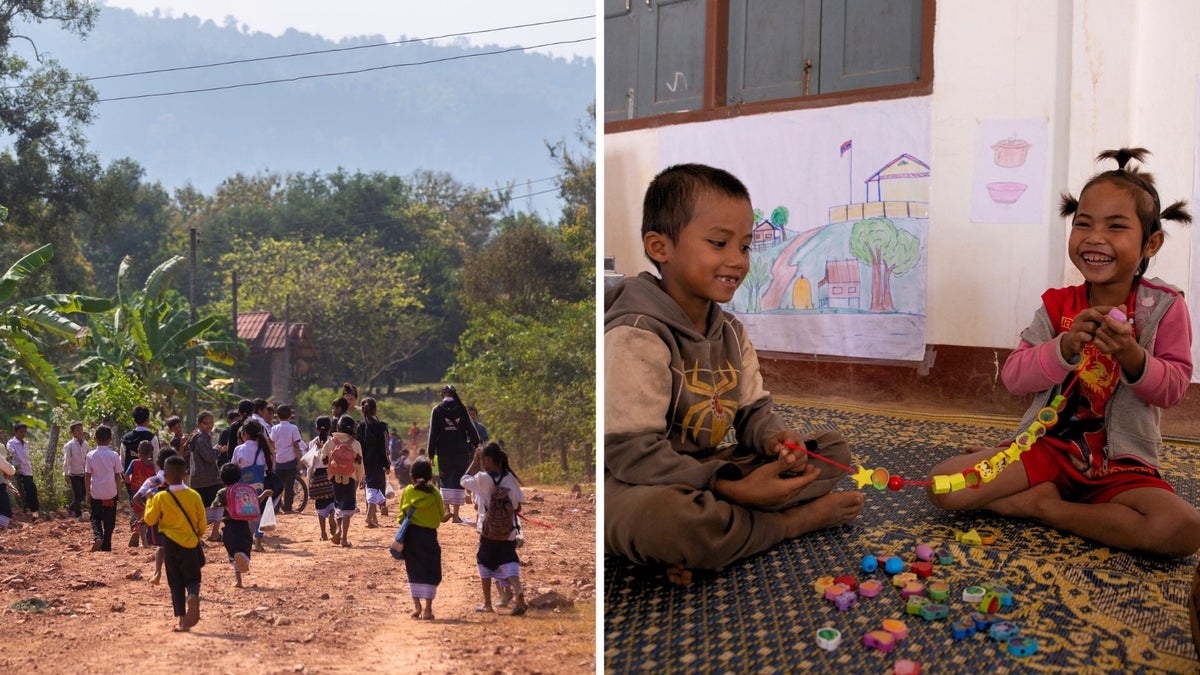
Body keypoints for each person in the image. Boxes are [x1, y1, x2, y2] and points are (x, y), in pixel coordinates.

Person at [928, 147, 1200, 558]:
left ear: (1151, 243)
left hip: (1121, 466)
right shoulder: (1058, 306)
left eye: (1116, 226)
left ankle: (1045, 507)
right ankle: (1045, 492)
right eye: (1084, 223)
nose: (1095, 237)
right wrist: (1063, 348)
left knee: (1183, 530)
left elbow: (1173, 390)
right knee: (942, 485)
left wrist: (1132, 356)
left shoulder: (1164, 307)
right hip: (1048, 450)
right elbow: (1015, 376)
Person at [605, 164, 863, 586]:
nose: (737, 261)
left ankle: (727, 532)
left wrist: (778, 442)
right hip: (638, 484)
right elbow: (632, 456)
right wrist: (731, 488)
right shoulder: (635, 333)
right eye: (719, 243)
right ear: (660, 246)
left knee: (831, 452)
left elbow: (753, 412)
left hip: (703, 472)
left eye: (744, 247)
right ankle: (789, 524)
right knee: (671, 522)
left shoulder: (730, 330)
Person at [461, 442, 527, 615]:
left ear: (488, 460)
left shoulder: (482, 478)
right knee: (508, 562)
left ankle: (487, 604)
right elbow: (518, 506)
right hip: (508, 531)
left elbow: (463, 481)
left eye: (482, 459)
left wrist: (474, 462)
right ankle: (517, 588)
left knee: (484, 564)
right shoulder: (511, 479)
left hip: (489, 531)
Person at [142, 455, 205, 632]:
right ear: (185, 474)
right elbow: (202, 523)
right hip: (191, 544)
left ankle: (182, 621)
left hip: (169, 545)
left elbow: (149, 519)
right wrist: (196, 537)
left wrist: (148, 501)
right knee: (192, 577)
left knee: (175, 582)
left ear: (166, 477)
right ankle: (193, 594)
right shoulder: (194, 496)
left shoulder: (160, 497)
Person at [398, 459, 444, 620]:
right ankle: (428, 609)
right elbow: (441, 515)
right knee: (430, 571)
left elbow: (400, 517)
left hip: (411, 538)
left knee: (414, 571)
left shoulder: (407, 492)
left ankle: (417, 606)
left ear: (411, 476)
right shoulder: (435, 493)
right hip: (430, 537)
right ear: (430, 476)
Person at [427, 385, 480, 523]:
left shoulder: (437, 410)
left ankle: (446, 509)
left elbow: (432, 434)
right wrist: (477, 444)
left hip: (443, 452)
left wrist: (431, 454)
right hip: (461, 452)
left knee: (444, 479)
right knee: (458, 481)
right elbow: (471, 429)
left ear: (442, 395)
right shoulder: (462, 409)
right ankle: (456, 515)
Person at [131, 448, 179, 585]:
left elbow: (136, 498)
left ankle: (157, 574)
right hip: (174, 520)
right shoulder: (177, 480)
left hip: (157, 521)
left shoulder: (153, 480)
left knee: (161, 546)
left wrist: (149, 509)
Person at [319, 415, 363, 547]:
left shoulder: (331, 441)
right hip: (350, 478)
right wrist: (360, 479)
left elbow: (323, 459)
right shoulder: (355, 444)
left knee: (338, 504)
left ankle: (338, 529)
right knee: (348, 507)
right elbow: (360, 465)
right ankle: (344, 538)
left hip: (334, 477)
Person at [232, 419, 274, 553]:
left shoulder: (239, 449)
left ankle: (246, 541)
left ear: (244, 434)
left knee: (245, 514)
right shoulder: (262, 450)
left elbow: (234, 466)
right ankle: (258, 543)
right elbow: (267, 468)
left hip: (243, 485)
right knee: (257, 513)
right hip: (259, 485)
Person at [211, 462, 253, 588]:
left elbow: (216, 503)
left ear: (222, 478)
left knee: (232, 551)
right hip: (244, 524)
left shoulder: (222, 492)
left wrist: (215, 505)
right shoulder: (244, 489)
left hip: (229, 525)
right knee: (246, 544)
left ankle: (238, 580)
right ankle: (245, 557)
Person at [85, 426, 123, 552]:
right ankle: (106, 545)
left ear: (95, 439)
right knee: (109, 519)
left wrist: (87, 493)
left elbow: (87, 475)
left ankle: (98, 537)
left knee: (95, 517)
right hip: (110, 493)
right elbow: (117, 475)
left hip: (96, 492)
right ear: (110, 440)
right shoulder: (114, 455)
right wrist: (119, 491)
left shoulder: (90, 455)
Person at [185, 411, 222, 541]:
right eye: (206, 423)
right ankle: (213, 534)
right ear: (200, 424)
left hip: (199, 479)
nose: (209, 425)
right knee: (218, 504)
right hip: (207, 479)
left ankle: (200, 537)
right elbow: (209, 457)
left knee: (201, 510)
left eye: (211, 422)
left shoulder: (197, 436)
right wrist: (218, 450)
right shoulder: (202, 437)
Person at [357, 397, 391, 527]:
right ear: (375, 410)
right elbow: (384, 448)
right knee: (374, 487)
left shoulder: (360, 427)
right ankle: (370, 515)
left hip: (364, 462)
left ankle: (373, 516)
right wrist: (386, 464)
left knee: (370, 487)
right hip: (377, 462)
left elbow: (359, 447)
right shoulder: (381, 426)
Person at [303, 416, 337, 541]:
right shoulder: (334, 442)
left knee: (320, 505)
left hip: (317, 477)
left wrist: (309, 480)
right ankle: (333, 517)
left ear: (316, 429)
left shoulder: (312, 443)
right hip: (331, 475)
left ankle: (323, 533)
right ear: (330, 429)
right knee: (334, 501)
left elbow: (309, 465)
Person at [269, 404, 305, 513]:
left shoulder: (274, 428)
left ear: (277, 416)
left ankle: (276, 507)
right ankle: (288, 508)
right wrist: (299, 460)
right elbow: (296, 445)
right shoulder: (293, 428)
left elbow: (271, 443)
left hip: (279, 459)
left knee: (278, 485)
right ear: (290, 416)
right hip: (290, 459)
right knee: (289, 485)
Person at [125, 441, 158, 546]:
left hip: (135, 494)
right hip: (148, 494)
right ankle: (148, 540)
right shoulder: (153, 465)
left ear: (138, 451)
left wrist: (130, 481)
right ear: (151, 453)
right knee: (147, 516)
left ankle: (142, 540)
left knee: (140, 516)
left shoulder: (134, 462)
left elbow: (126, 476)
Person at [7, 422, 39, 519]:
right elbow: (11, 457)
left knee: (31, 489)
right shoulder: (11, 443)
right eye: (21, 432)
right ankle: (31, 510)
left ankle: (32, 510)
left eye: (24, 432)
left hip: (27, 470)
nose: (23, 434)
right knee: (28, 489)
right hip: (18, 471)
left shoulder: (26, 443)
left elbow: (26, 458)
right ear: (15, 432)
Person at [120, 405, 159, 483]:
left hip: (131, 480)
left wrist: (125, 477)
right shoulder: (152, 438)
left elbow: (122, 461)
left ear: (134, 420)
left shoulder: (125, 439)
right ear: (148, 419)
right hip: (149, 481)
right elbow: (156, 460)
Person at [62, 421, 90, 519]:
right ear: (72, 432)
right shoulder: (69, 445)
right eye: (78, 430)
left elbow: (88, 458)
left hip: (84, 473)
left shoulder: (85, 444)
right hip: (74, 473)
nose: (80, 432)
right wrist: (66, 473)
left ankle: (70, 508)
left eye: (81, 430)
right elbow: (67, 460)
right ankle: (78, 514)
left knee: (83, 494)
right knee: (78, 494)